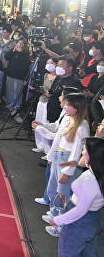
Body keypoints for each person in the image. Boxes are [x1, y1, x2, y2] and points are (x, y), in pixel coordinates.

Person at [48, 137, 104, 257]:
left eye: (85, 150)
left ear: (93, 155)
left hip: (80, 223)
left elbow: (81, 210)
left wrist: (58, 220)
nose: (82, 152)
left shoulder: (91, 179)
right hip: (93, 221)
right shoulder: (97, 174)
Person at [45, 93, 89, 237]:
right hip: (59, 156)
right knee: (54, 190)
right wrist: (51, 156)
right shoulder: (69, 120)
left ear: (77, 107)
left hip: (67, 161)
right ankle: (55, 217)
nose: (65, 106)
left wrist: (67, 172)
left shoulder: (82, 126)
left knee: (64, 196)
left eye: (69, 104)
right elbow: (58, 139)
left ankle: (62, 227)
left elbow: (77, 152)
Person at [4, 39, 31, 122]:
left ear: (25, 45)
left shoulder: (26, 53)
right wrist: (14, 50)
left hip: (19, 76)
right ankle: (10, 104)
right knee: (10, 89)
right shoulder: (14, 51)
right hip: (10, 73)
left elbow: (25, 63)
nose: (20, 45)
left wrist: (20, 52)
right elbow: (7, 57)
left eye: (22, 43)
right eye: (19, 43)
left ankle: (17, 106)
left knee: (17, 91)